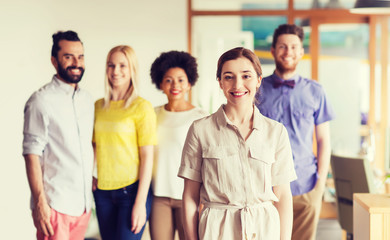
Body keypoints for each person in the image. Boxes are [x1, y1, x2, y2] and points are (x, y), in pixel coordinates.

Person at [179, 47, 297, 240]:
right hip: (216, 231)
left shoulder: (276, 132)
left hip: (264, 230)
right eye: (228, 77)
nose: (238, 84)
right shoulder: (200, 130)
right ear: (220, 82)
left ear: (259, 80)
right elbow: (190, 197)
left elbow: (283, 196)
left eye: (246, 76)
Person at [255, 24, 335, 240]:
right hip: (265, 187)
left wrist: (319, 187)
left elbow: (323, 140)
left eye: (293, 47)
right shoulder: (256, 89)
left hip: (306, 185)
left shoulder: (315, 91)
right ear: (272, 50)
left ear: (301, 52)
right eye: (282, 46)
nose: (288, 52)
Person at [23, 30, 94, 240]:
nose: (76, 62)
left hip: (82, 207)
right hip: (55, 205)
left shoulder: (87, 100)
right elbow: (31, 155)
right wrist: (40, 203)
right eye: (68, 56)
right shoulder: (40, 101)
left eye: (80, 56)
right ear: (54, 60)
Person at [92, 45, 157, 240]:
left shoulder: (142, 107)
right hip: (102, 193)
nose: (116, 71)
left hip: (131, 192)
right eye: (111, 65)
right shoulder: (98, 106)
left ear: (132, 70)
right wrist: (90, 176)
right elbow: (94, 147)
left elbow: (147, 157)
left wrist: (140, 202)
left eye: (122, 65)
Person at [149, 51, 207, 240]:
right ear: (160, 84)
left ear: (189, 83)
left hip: (188, 198)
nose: (175, 85)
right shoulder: (151, 114)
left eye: (181, 80)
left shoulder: (201, 117)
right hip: (159, 196)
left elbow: (206, 162)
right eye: (169, 80)